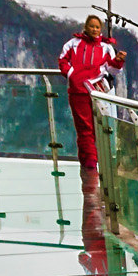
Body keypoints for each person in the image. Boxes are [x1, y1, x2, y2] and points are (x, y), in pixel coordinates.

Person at [56, 13, 127, 174]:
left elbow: (113, 70)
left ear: (100, 29)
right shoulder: (73, 44)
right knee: (84, 128)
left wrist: (119, 60)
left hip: (97, 91)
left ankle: (94, 162)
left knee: (99, 127)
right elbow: (62, 61)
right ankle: (90, 163)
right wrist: (72, 75)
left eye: (97, 27)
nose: (94, 29)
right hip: (78, 91)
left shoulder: (106, 47)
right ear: (86, 27)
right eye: (92, 26)